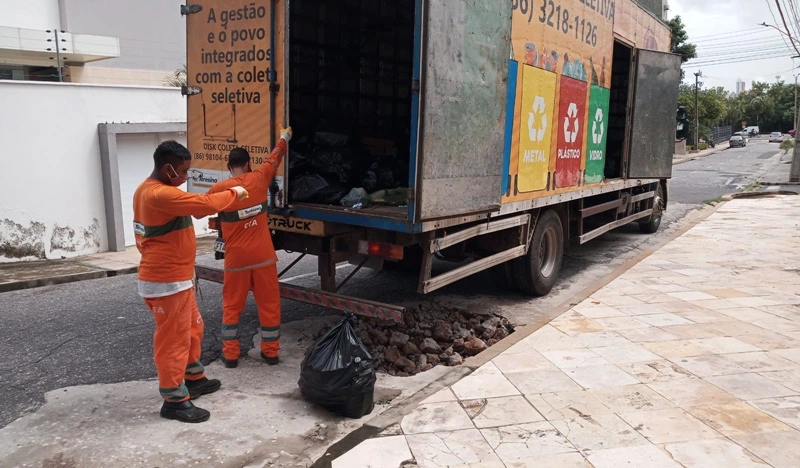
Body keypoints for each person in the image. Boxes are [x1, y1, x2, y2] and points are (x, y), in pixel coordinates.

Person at [133, 140, 250, 423]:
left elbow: (197, 209)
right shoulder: (158, 194)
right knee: (172, 341)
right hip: (165, 280)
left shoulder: (157, 191)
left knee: (193, 328)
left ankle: (193, 377)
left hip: (177, 278)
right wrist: (235, 190)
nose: (186, 177)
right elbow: (204, 205)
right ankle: (174, 400)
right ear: (167, 168)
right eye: (184, 171)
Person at [208, 127, 292, 369]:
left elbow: (197, 209)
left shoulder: (220, 189)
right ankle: (271, 352)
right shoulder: (259, 177)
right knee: (269, 305)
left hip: (237, 262)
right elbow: (275, 156)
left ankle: (231, 356)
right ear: (249, 164)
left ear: (228, 166)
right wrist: (285, 136)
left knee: (232, 307)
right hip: (264, 258)